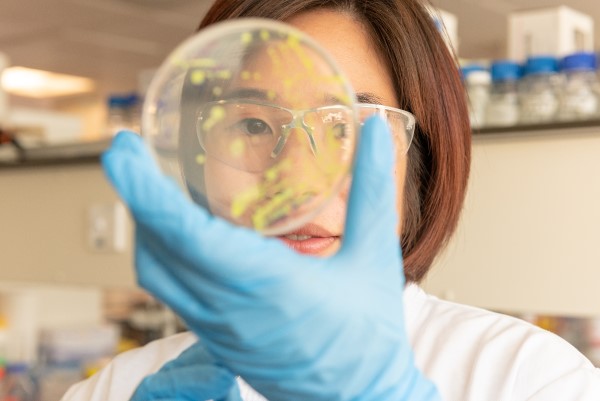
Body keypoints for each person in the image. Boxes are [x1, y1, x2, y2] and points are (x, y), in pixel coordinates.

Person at [62, 0, 600, 400]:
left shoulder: (531, 377)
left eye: (347, 127)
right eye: (251, 123)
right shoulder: (119, 388)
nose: (298, 181)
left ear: (420, 161)